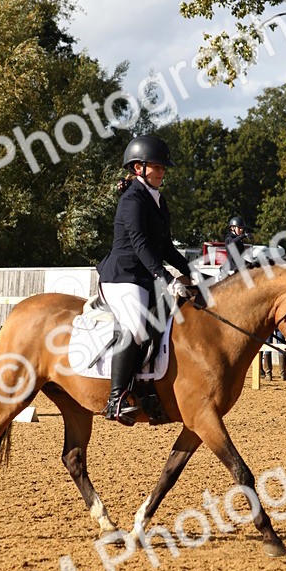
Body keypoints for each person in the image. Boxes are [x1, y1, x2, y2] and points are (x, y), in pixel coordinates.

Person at [97, 134, 193, 424]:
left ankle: (150, 390)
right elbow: (140, 243)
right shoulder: (132, 199)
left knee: (173, 319)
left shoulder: (157, 200)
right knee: (137, 326)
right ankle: (116, 398)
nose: (163, 171)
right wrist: (164, 276)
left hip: (145, 277)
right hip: (123, 276)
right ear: (138, 168)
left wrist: (190, 272)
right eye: (157, 167)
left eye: (163, 167)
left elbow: (164, 247)